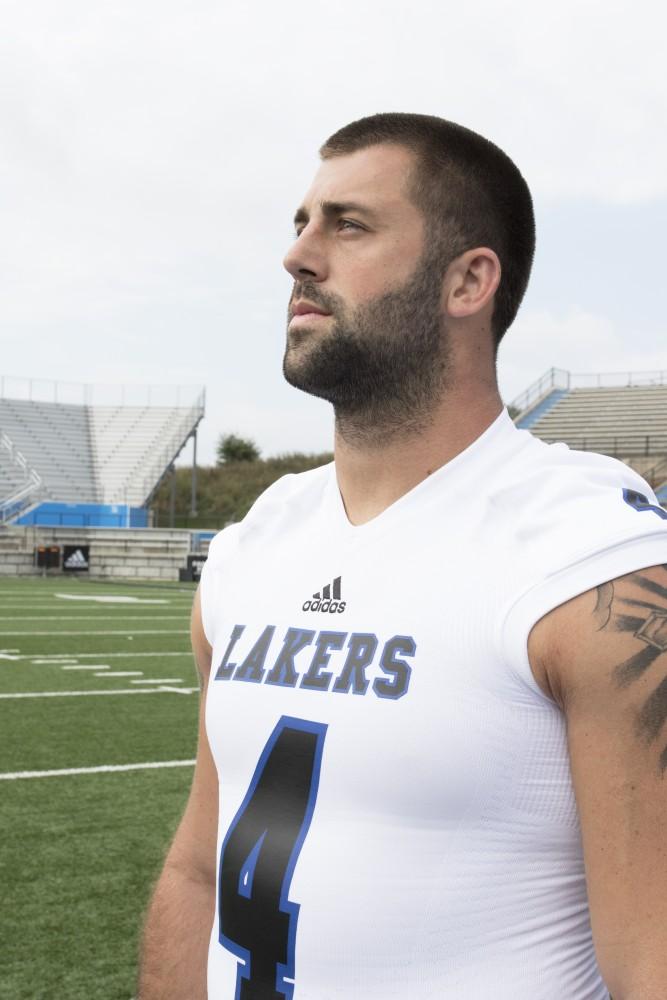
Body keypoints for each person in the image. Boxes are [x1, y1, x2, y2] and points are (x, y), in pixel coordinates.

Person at [138, 113, 667, 999]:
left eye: (348, 225)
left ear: (468, 281)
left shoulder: (592, 563)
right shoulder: (251, 546)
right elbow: (199, 866)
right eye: (300, 224)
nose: (298, 257)